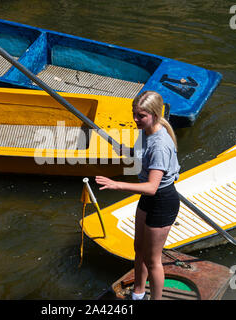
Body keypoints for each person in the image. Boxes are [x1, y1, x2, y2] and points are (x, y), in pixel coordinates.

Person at [95, 91, 180, 300]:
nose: (135, 119)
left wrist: (116, 185)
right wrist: (123, 149)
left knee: (153, 260)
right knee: (138, 248)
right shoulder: (145, 131)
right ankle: (138, 293)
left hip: (162, 201)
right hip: (150, 199)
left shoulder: (160, 145)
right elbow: (140, 156)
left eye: (140, 115)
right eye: (134, 114)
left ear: (154, 115)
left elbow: (152, 187)